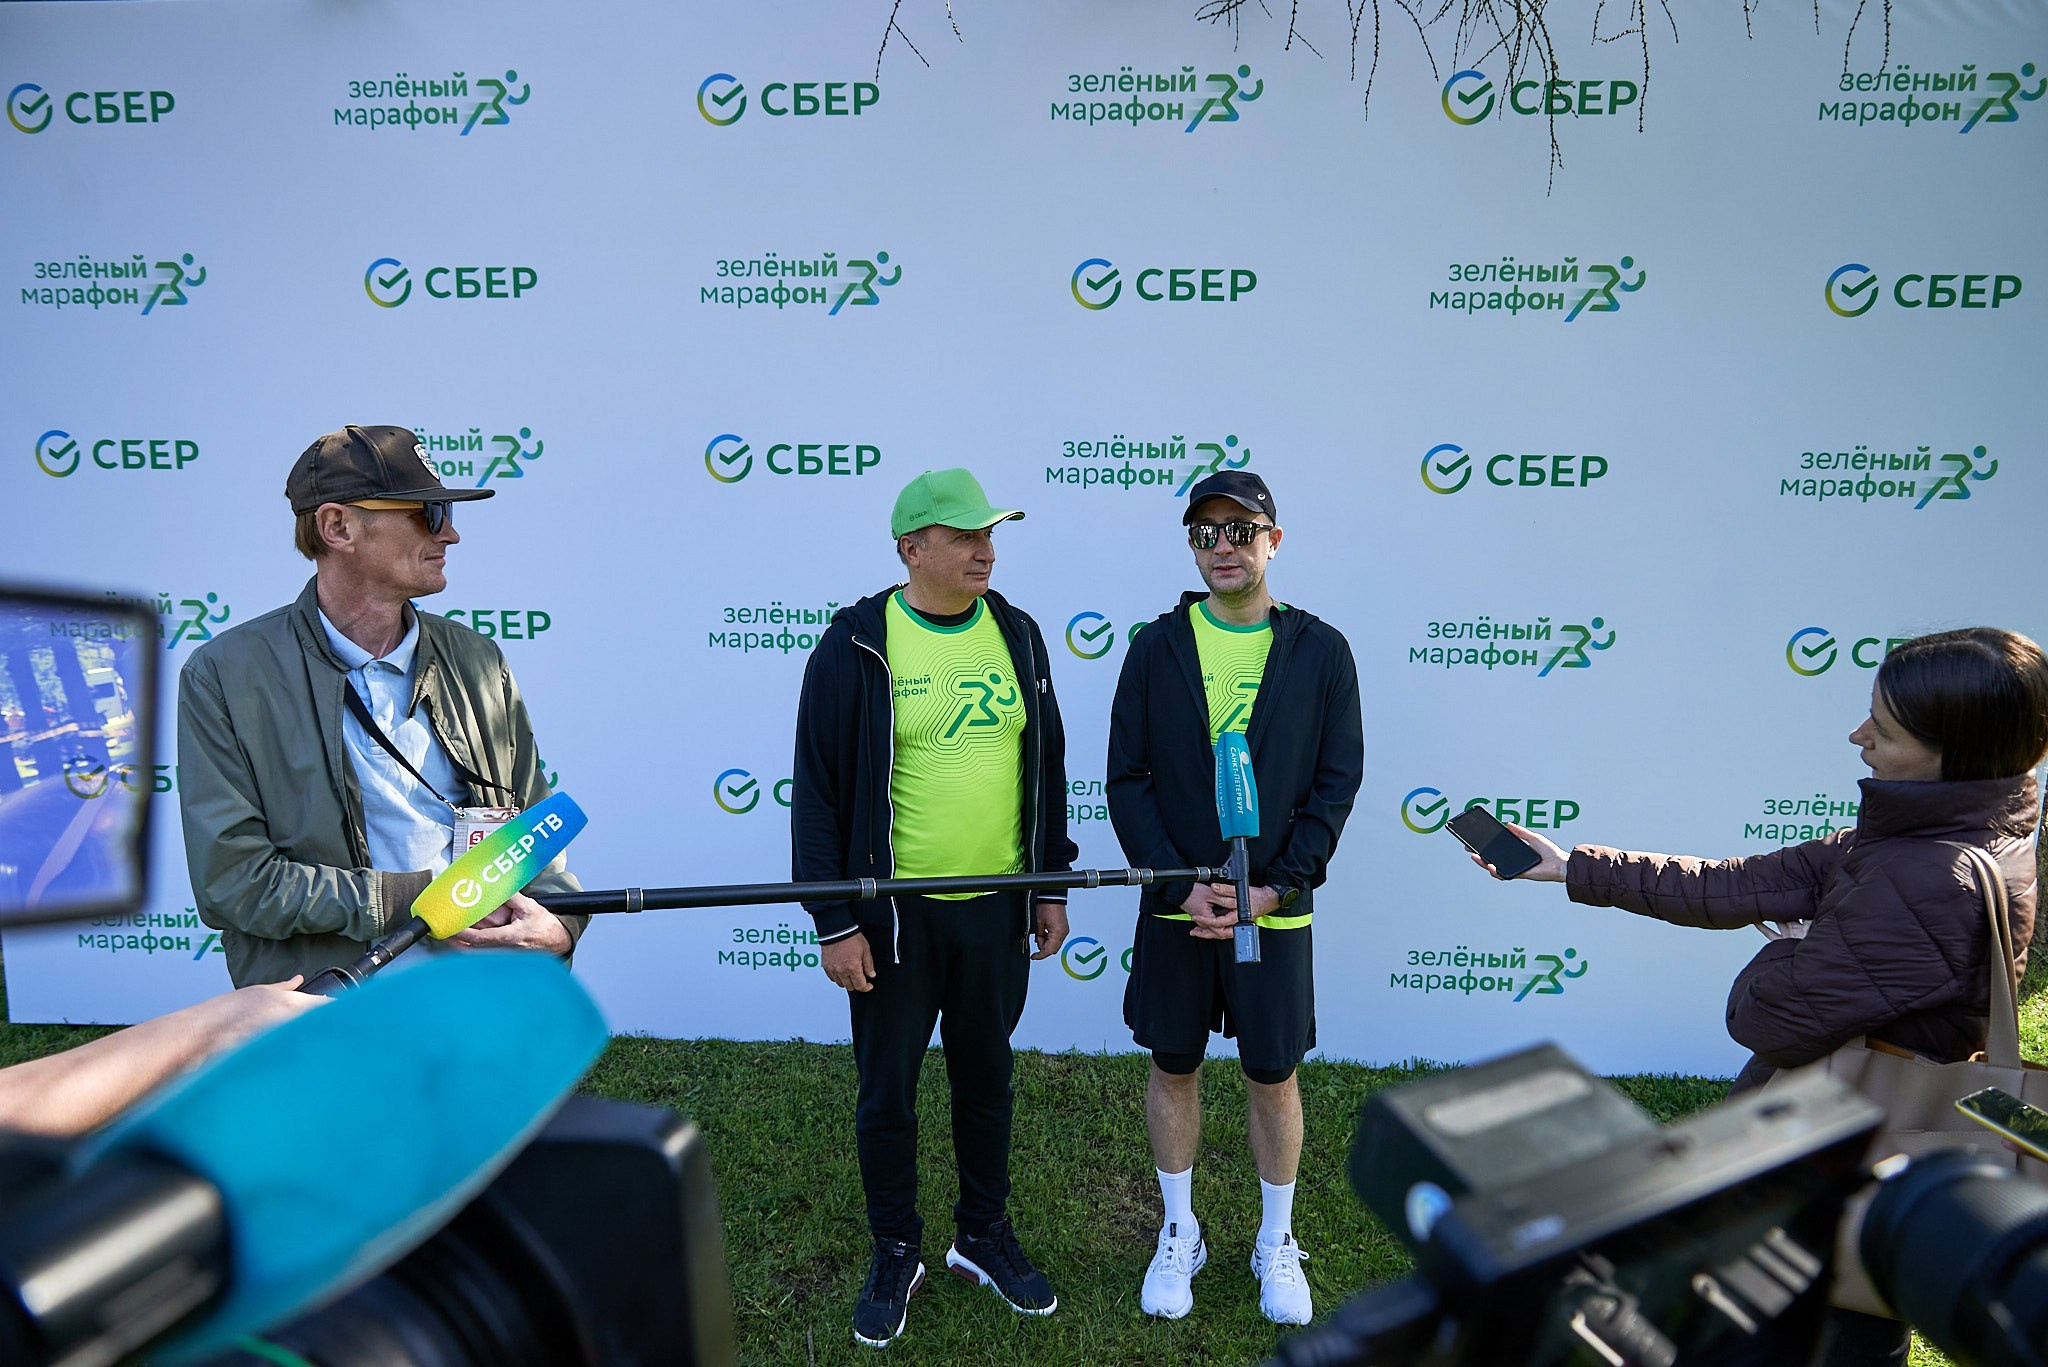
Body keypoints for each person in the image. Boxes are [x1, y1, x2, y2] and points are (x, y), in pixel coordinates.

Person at [1470, 626, 2046, 1367]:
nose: (1858, 734)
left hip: (1835, 1163)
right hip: (1850, 1159)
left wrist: (1790, 944)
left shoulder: (1926, 877)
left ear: (1951, 753)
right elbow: (1741, 882)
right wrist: (1571, 865)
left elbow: (1766, 1017)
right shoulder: (1959, 823)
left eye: (1886, 728)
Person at [791, 467, 1078, 1348]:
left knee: (987, 1080)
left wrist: (1050, 884)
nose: (984, 550)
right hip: (893, 920)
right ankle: (896, 1244)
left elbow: (1050, 773)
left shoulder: (1021, 636)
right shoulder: (856, 644)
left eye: (989, 534)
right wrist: (836, 920)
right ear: (911, 549)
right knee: (888, 1092)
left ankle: (981, 1234)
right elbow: (819, 796)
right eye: (963, 537)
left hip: (996, 910)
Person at [178, 425, 584, 988]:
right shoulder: (226, 674)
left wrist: (562, 924)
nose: (452, 534)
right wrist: (424, 899)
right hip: (332, 1017)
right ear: (337, 525)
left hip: (486, 1001)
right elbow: (236, 885)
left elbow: (537, 834)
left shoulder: (477, 657)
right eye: (429, 513)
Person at [1107, 470, 1363, 1325]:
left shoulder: (1320, 650)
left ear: (1273, 542)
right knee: (1173, 1060)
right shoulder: (1156, 645)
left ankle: (1275, 1240)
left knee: (1272, 1071)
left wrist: (1276, 884)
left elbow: (1336, 782)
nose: (1223, 547)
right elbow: (1128, 777)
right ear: (1191, 545)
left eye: (1240, 530)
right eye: (1205, 532)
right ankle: (1179, 1230)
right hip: (1177, 903)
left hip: (1275, 907)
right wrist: (1180, 883)